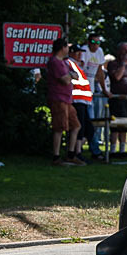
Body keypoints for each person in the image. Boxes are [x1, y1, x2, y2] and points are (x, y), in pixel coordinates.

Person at [46, 38, 84, 166]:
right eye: (67, 47)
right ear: (62, 48)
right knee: (59, 127)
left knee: (76, 125)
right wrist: (71, 75)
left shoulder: (64, 62)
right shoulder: (54, 62)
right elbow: (65, 79)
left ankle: (71, 155)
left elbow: (74, 75)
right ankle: (56, 157)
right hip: (58, 99)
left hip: (67, 100)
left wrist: (71, 75)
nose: (68, 49)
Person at [80, 33, 109, 160]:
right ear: (88, 42)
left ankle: (93, 149)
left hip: (91, 92)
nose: (96, 45)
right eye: (93, 42)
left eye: (98, 42)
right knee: (87, 122)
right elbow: (79, 69)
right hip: (82, 92)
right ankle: (87, 150)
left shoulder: (99, 52)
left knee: (93, 122)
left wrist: (104, 89)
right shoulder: (84, 51)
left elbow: (99, 72)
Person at [68, 44, 94, 163]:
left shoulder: (77, 65)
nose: (80, 55)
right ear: (71, 52)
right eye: (77, 52)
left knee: (88, 129)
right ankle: (76, 152)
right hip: (76, 100)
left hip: (83, 101)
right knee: (80, 127)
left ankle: (77, 150)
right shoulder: (70, 63)